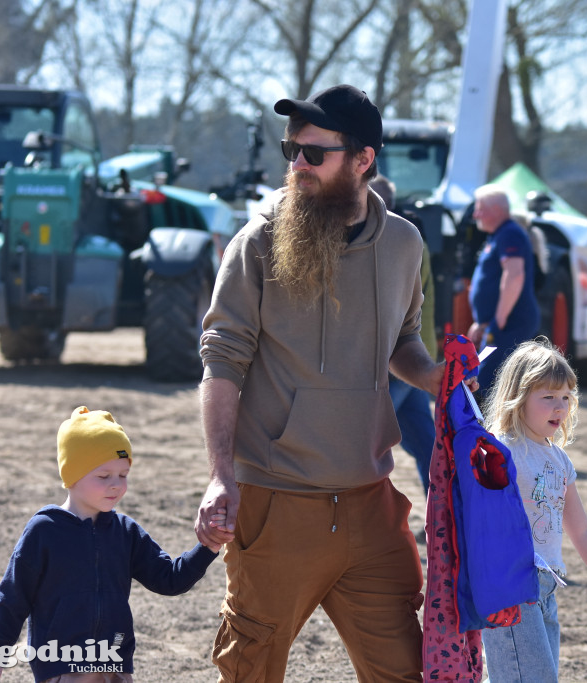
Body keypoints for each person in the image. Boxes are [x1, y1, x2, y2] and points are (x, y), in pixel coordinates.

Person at [196, 84, 456, 683]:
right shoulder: (257, 242)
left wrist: (435, 377)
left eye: (314, 154)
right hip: (276, 506)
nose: (297, 166)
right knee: (250, 673)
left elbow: (403, 341)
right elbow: (222, 360)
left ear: (363, 160)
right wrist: (219, 476)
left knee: (410, 674)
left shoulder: (405, 244)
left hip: (371, 506)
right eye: (292, 151)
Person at [0, 406, 220, 683]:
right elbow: (13, 598)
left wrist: (207, 546)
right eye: (104, 476)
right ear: (72, 474)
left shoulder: (125, 532)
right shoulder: (44, 531)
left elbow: (169, 579)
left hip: (114, 667)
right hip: (61, 666)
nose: (116, 485)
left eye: (123, 475)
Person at [481, 339, 587, 682]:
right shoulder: (499, 450)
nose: (560, 407)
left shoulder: (559, 461)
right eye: (548, 398)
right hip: (510, 587)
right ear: (518, 396)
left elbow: (583, 531)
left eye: (566, 398)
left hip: (546, 589)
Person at [370, 175, 436, 496]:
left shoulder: (398, 244)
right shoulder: (413, 240)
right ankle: (446, 518)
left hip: (399, 362)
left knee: (369, 442)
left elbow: (397, 311)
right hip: (415, 359)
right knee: (428, 446)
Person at [467, 185, 540, 397]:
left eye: (480, 209)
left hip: (509, 323)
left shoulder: (510, 234)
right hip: (499, 323)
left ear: (498, 210)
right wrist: (482, 322)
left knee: (486, 385)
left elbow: (514, 276)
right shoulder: (499, 235)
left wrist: (498, 320)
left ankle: (490, 431)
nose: (475, 214)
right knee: (485, 383)